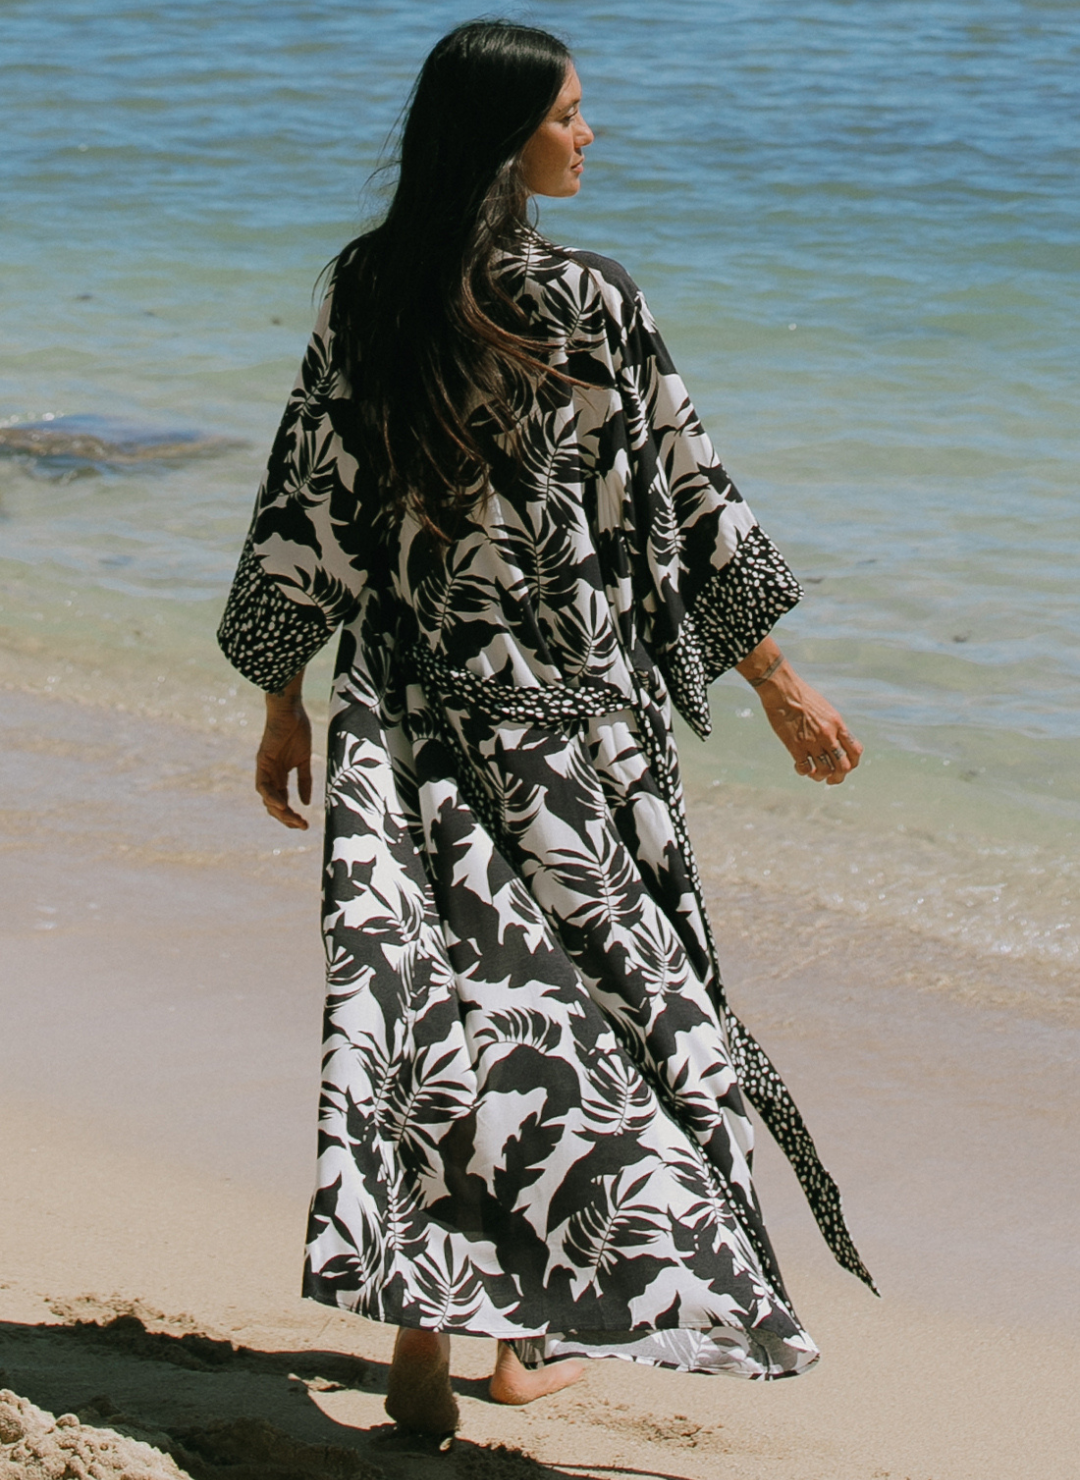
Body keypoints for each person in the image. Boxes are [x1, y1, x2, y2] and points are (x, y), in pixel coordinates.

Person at [218, 19, 873, 1438]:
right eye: (572, 114)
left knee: (434, 1015)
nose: (591, 135)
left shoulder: (370, 285)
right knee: (595, 1023)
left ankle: (439, 1331)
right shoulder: (590, 303)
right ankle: (515, 1337)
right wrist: (778, 684)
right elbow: (692, 510)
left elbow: (308, 502)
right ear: (510, 133)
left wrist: (283, 698)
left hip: (406, 713)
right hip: (573, 736)